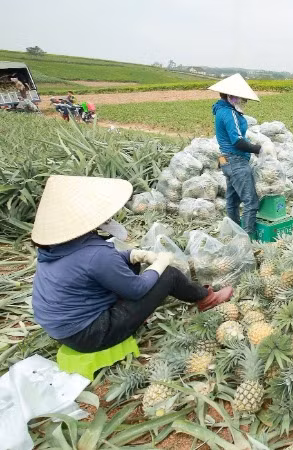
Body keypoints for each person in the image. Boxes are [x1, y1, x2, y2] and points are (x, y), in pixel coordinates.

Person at [31, 175, 234, 353]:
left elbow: (92, 267)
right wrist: (160, 263)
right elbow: (136, 289)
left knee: (130, 265)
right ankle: (208, 299)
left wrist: (132, 255)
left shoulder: (56, 246)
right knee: (169, 275)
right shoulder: (95, 254)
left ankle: (135, 311)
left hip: (62, 330)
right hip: (92, 334)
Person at [208, 74, 262, 237]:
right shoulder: (229, 113)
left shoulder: (221, 110)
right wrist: (258, 149)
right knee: (251, 202)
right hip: (236, 160)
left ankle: (234, 233)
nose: (242, 102)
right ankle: (247, 239)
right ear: (231, 97)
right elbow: (238, 141)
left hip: (225, 160)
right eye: (241, 99)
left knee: (232, 201)